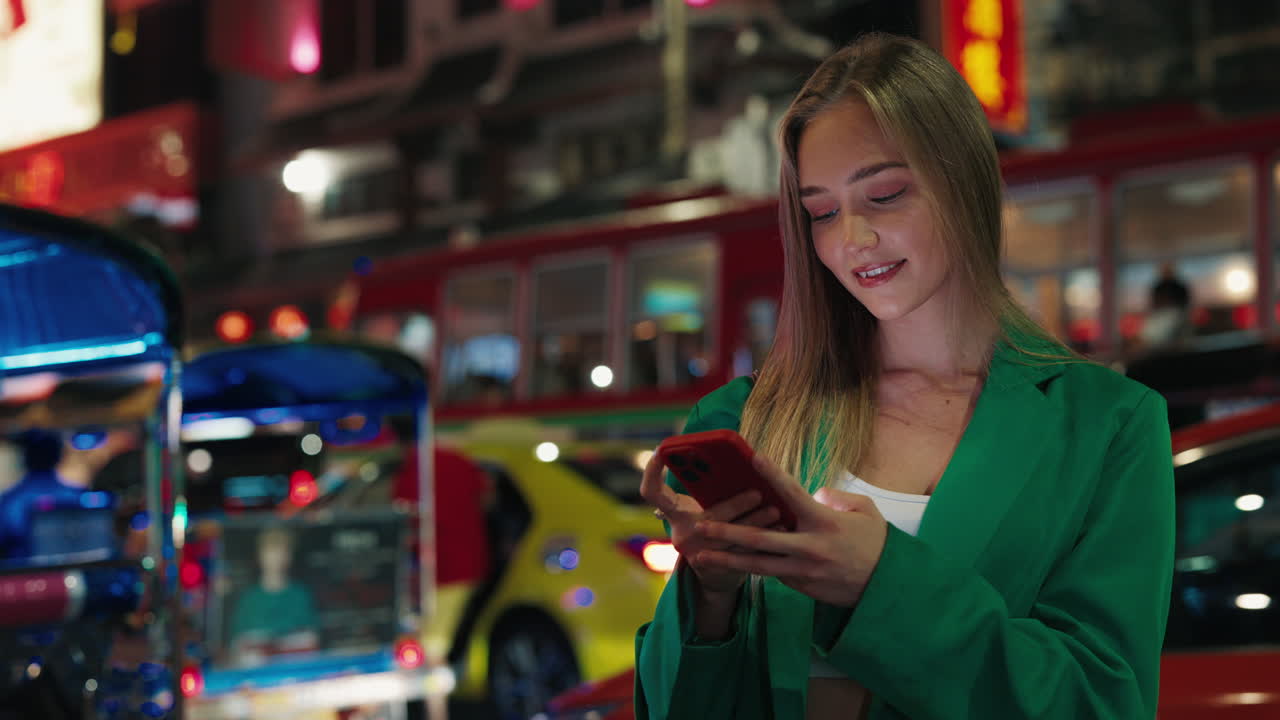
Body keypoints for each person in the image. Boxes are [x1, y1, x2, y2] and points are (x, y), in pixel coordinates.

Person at [636, 33, 1174, 720]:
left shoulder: (1108, 426)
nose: (850, 239)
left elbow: (1102, 704)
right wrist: (707, 597)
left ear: (963, 180)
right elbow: (671, 708)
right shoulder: (744, 421)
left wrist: (878, 585)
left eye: (884, 195)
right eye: (822, 212)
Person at [228, 527, 319, 667]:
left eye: (283, 550)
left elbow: (311, 642)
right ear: (260, 555)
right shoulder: (248, 600)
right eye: (272, 549)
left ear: (289, 556)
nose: (278, 556)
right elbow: (237, 648)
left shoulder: (300, 596)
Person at [0, 429, 93, 560]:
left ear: (25, 458)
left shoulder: (10, 500)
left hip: (27, 575)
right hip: (74, 572)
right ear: (59, 456)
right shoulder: (78, 495)